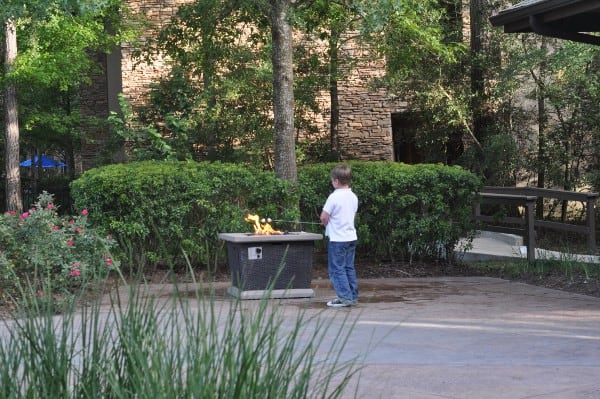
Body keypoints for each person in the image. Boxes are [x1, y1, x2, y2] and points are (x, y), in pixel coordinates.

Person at [320, 164, 358, 307]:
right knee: (349, 268)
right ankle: (352, 296)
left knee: (337, 269)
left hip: (338, 239)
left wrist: (325, 223)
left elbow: (324, 217)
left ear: (336, 181)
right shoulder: (353, 196)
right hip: (351, 237)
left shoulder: (334, 197)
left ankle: (345, 298)